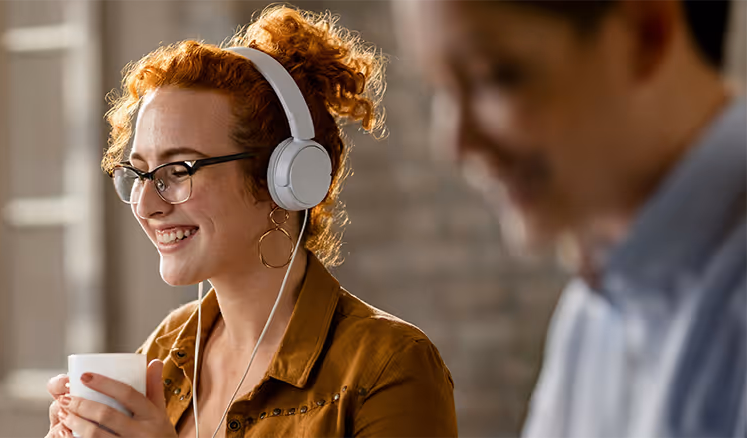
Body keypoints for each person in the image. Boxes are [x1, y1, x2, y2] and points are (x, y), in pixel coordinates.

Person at [42, 6, 458, 438]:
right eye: (140, 172)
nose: (145, 204)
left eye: (179, 170)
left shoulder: (389, 366)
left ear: (283, 180)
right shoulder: (170, 350)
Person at [393, 0, 743, 436]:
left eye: (495, 77)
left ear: (646, 33)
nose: (456, 144)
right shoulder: (594, 312)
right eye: (440, 88)